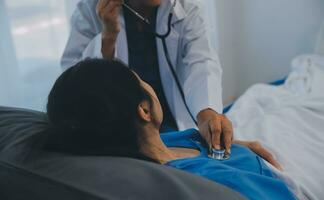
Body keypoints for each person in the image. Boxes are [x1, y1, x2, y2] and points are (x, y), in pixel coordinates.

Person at [45, 59, 295, 199]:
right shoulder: (215, 183)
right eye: (141, 80)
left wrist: (239, 145)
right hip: (290, 165)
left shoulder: (160, 142)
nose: (148, 84)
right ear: (144, 110)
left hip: (253, 141)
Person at [61, 0, 231, 154]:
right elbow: (72, 84)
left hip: (175, 116)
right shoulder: (88, 11)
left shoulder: (186, 7)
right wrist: (108, 37)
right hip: (129, 127)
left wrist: (206, 112)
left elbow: (202, 61)